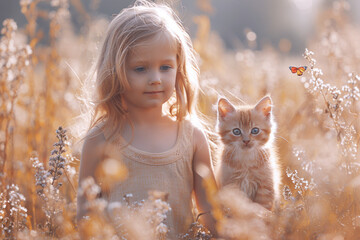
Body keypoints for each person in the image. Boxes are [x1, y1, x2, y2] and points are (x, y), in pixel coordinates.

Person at [77, 0, 218, 238]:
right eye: (140, 69)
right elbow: (85, 214)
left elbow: (212, 214)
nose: (155, 78)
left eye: (165, 67)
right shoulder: (100, 139)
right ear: (115, 71)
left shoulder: (192, 138)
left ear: (179, 68)